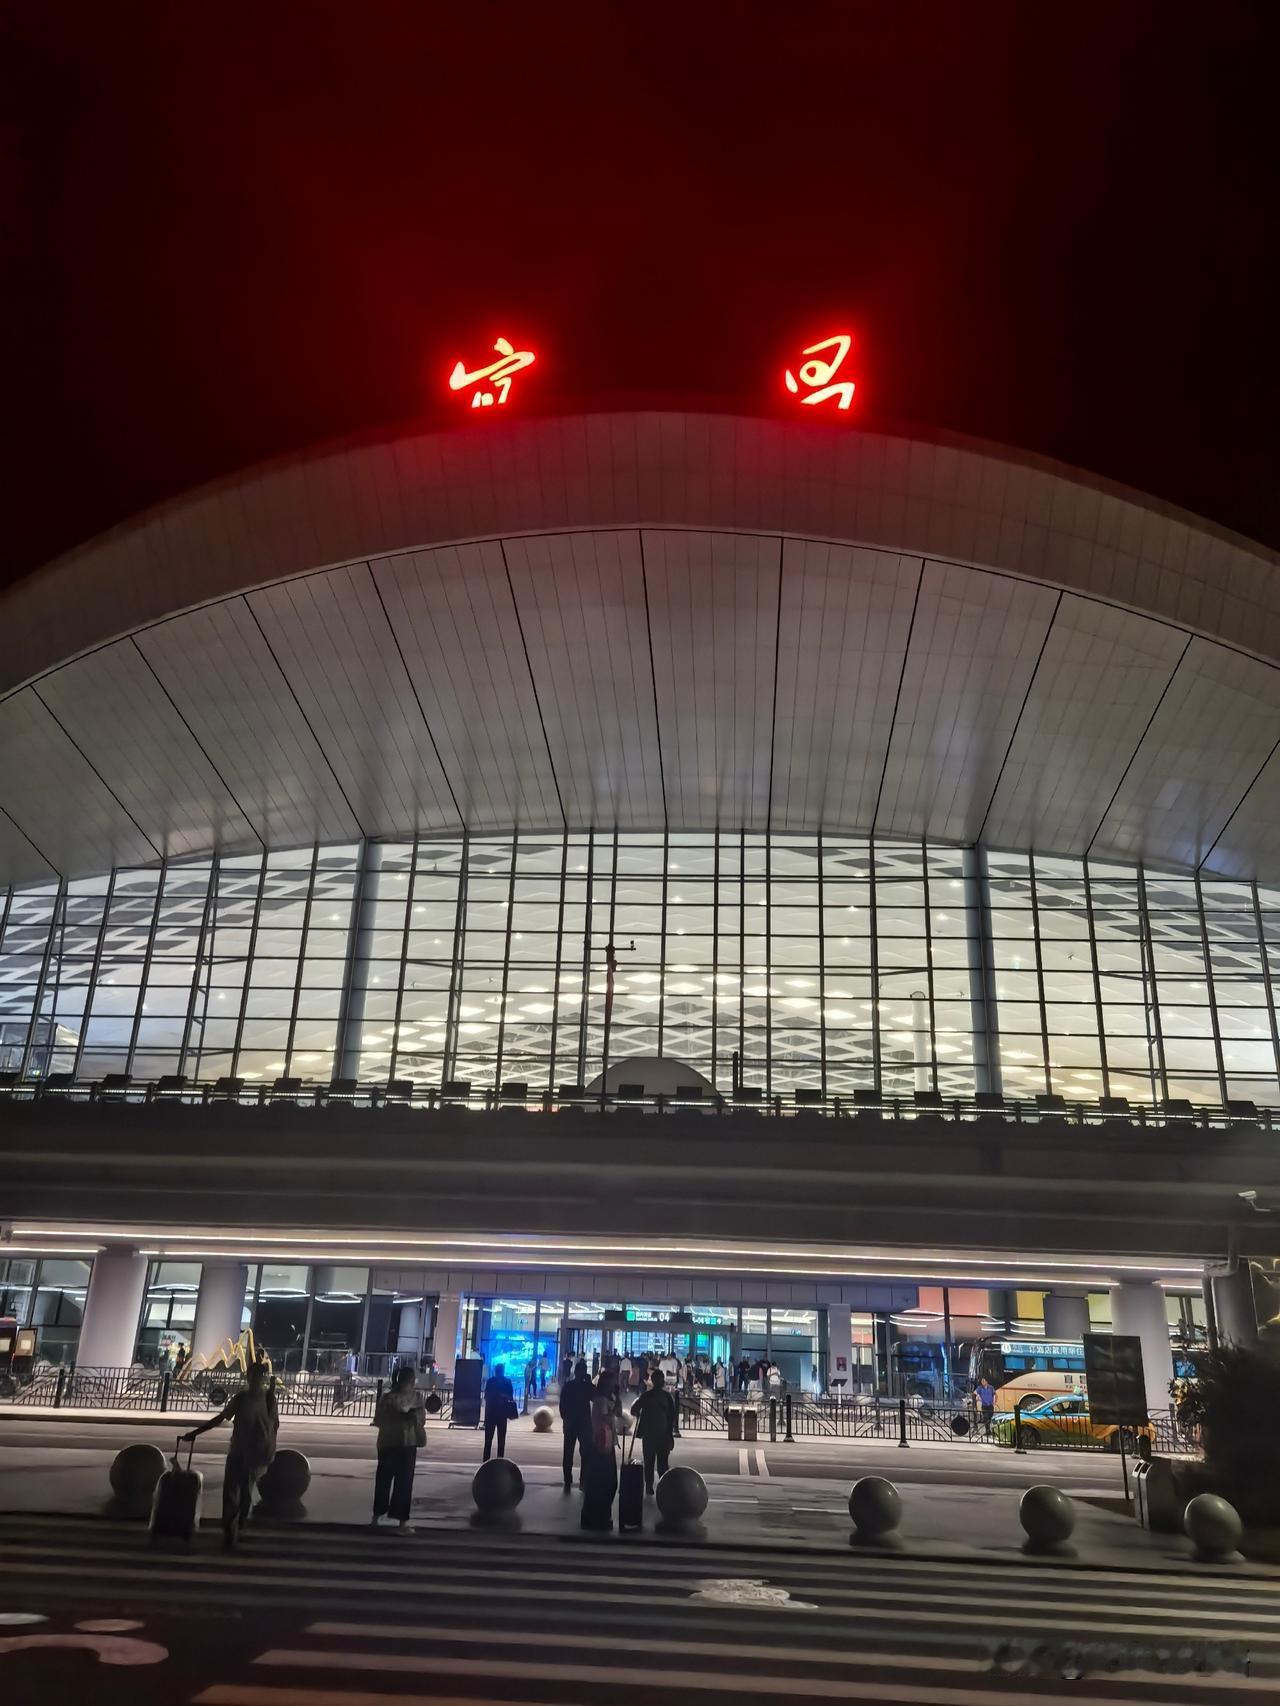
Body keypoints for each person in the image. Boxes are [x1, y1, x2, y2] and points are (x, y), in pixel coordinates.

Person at [182, 1360, 278, 1548]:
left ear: (251, 1377)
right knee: (243, 1491)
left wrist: (195, 1432)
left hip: (243, 1452)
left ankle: (232, 1529)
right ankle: (236, 1527)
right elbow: (274, 1426)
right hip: (253, 1452)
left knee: (235, 1492)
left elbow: (221, 1418)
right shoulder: (266, 1398)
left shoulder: (247, 1398)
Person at [371, 1363, 425, 1533]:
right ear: (412, 1380)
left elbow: (378, 1420)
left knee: (383, 1480)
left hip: (387, 1443)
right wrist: (409, 1418)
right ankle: (402, 1522)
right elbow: (421, 1420)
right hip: (407, 1444)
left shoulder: (387, 1398)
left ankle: (376, 1517)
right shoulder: (417, 1398)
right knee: (404, 1482)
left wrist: (394, 1418)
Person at [580, 1368, 619, 1530]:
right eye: (613, 1381)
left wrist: (617, 1399)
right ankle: (596, 1516)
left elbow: (617, 1413)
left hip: (608, 1441)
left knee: (608, 1482)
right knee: (602, 1481)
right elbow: (604, 1417)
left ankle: (601, 1514)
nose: (615, 1383)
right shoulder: (600, 1400)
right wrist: (613, 1412)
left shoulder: (610, 1397)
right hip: (601, 1442)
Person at [630, 1366, 677, 1495]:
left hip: (649, 1435)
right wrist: (670, 1435)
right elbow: (672, 1417)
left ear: (653, 1381)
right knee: (663, 1463)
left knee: (649, 1462)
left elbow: (633, 1410)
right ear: (662, 1382)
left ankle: (649, 1486)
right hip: (663, 1434)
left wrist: (640, 1414)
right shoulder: (667, 1397)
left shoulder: (646, 1396)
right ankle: (663, 1487)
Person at [559, 1358, 592, 1489]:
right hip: (584, 1422)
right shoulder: (586, 1386)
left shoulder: (568, 1386)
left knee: (568, 1451)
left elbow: (562, 1404)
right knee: (585, 1452)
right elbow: (595, 1396)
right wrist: (589, 1383)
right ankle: (583, 1479)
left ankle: (568, 1478)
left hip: (571, 1421)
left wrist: (565, 1418)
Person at [483, 1362, 516, 1460]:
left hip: (491, 1413)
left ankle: (486, 1461)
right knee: (501, 1440)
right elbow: (510, 1396)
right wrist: (503, 1397)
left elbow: (486, 1396)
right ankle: (500, 1460)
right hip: (502, 1413)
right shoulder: (507, 1381)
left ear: (495, 1371)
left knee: (488, 1440)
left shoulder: (490, 1381)